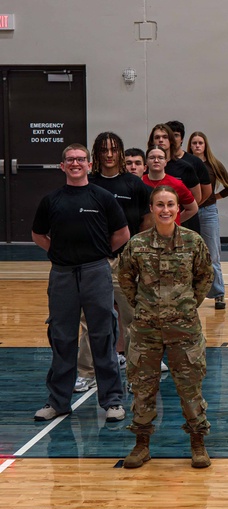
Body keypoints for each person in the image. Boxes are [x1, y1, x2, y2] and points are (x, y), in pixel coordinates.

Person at [117, 185, 214, 468]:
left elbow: (205, 277)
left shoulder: (193, 242)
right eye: (159, 205)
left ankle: (198, 443)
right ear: (151, 208)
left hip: (184, 330)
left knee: (190, 388)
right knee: (143, 387)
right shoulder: (137, 244)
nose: (165, 210)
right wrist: (143, 306)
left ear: (177, 208)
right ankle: (141, 444)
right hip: (146, 330)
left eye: (170, 204)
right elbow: (125, 278)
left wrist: (185, 304)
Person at [31, 144, 129, 423]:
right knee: (62, 338)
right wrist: (56, 253)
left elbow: (122, 233)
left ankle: (112, 401)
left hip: (96, 272)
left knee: (103, 336)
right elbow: (38, 234)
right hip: (62, 275)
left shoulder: (103, 197)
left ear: (89, 165)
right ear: (62, 166)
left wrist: (99, 255)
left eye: (80, 160)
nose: (75, 163)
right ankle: (58, 401)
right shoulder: (51, 200)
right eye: (70, 160)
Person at [75, 132, 154, 394]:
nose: (109, 155)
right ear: (96, 154)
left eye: (113, 150)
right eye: (103, 150)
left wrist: (133, 253)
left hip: (126, 262)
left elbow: (146, 221)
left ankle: (135, 374)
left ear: (120, 153)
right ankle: (87, 373)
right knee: (91, 320)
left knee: (133, 319)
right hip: (95, 263)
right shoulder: (89, 183)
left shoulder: (134, 184)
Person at [188, 131, 228, 309]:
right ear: (190, 146)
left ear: (205, 145)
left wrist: (214, 197)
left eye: (200, 142)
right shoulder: (186, 164)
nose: (197, 146)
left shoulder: (214, 164)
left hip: (208, 212)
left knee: (212, 254)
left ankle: (218, 294)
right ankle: (190, 293)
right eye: (194, 143)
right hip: (189, 211)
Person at [148, 123, 202, 233]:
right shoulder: (147, 167)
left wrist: (172, 219)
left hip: (179, 222)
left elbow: (196, 199)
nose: (161, 140)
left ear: (171, 140)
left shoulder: (185, 167)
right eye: (157, 137)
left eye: (165, 137)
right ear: (152, 141)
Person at [142, 147, 199, 225]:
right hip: (145, 232)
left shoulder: (177, 184)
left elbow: (192, 208)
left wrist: (174, 220)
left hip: (170, 233)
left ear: (166, 162)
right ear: (146, 162)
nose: (156, 160)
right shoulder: (140, 182)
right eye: (152, 158)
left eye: (160, 158)